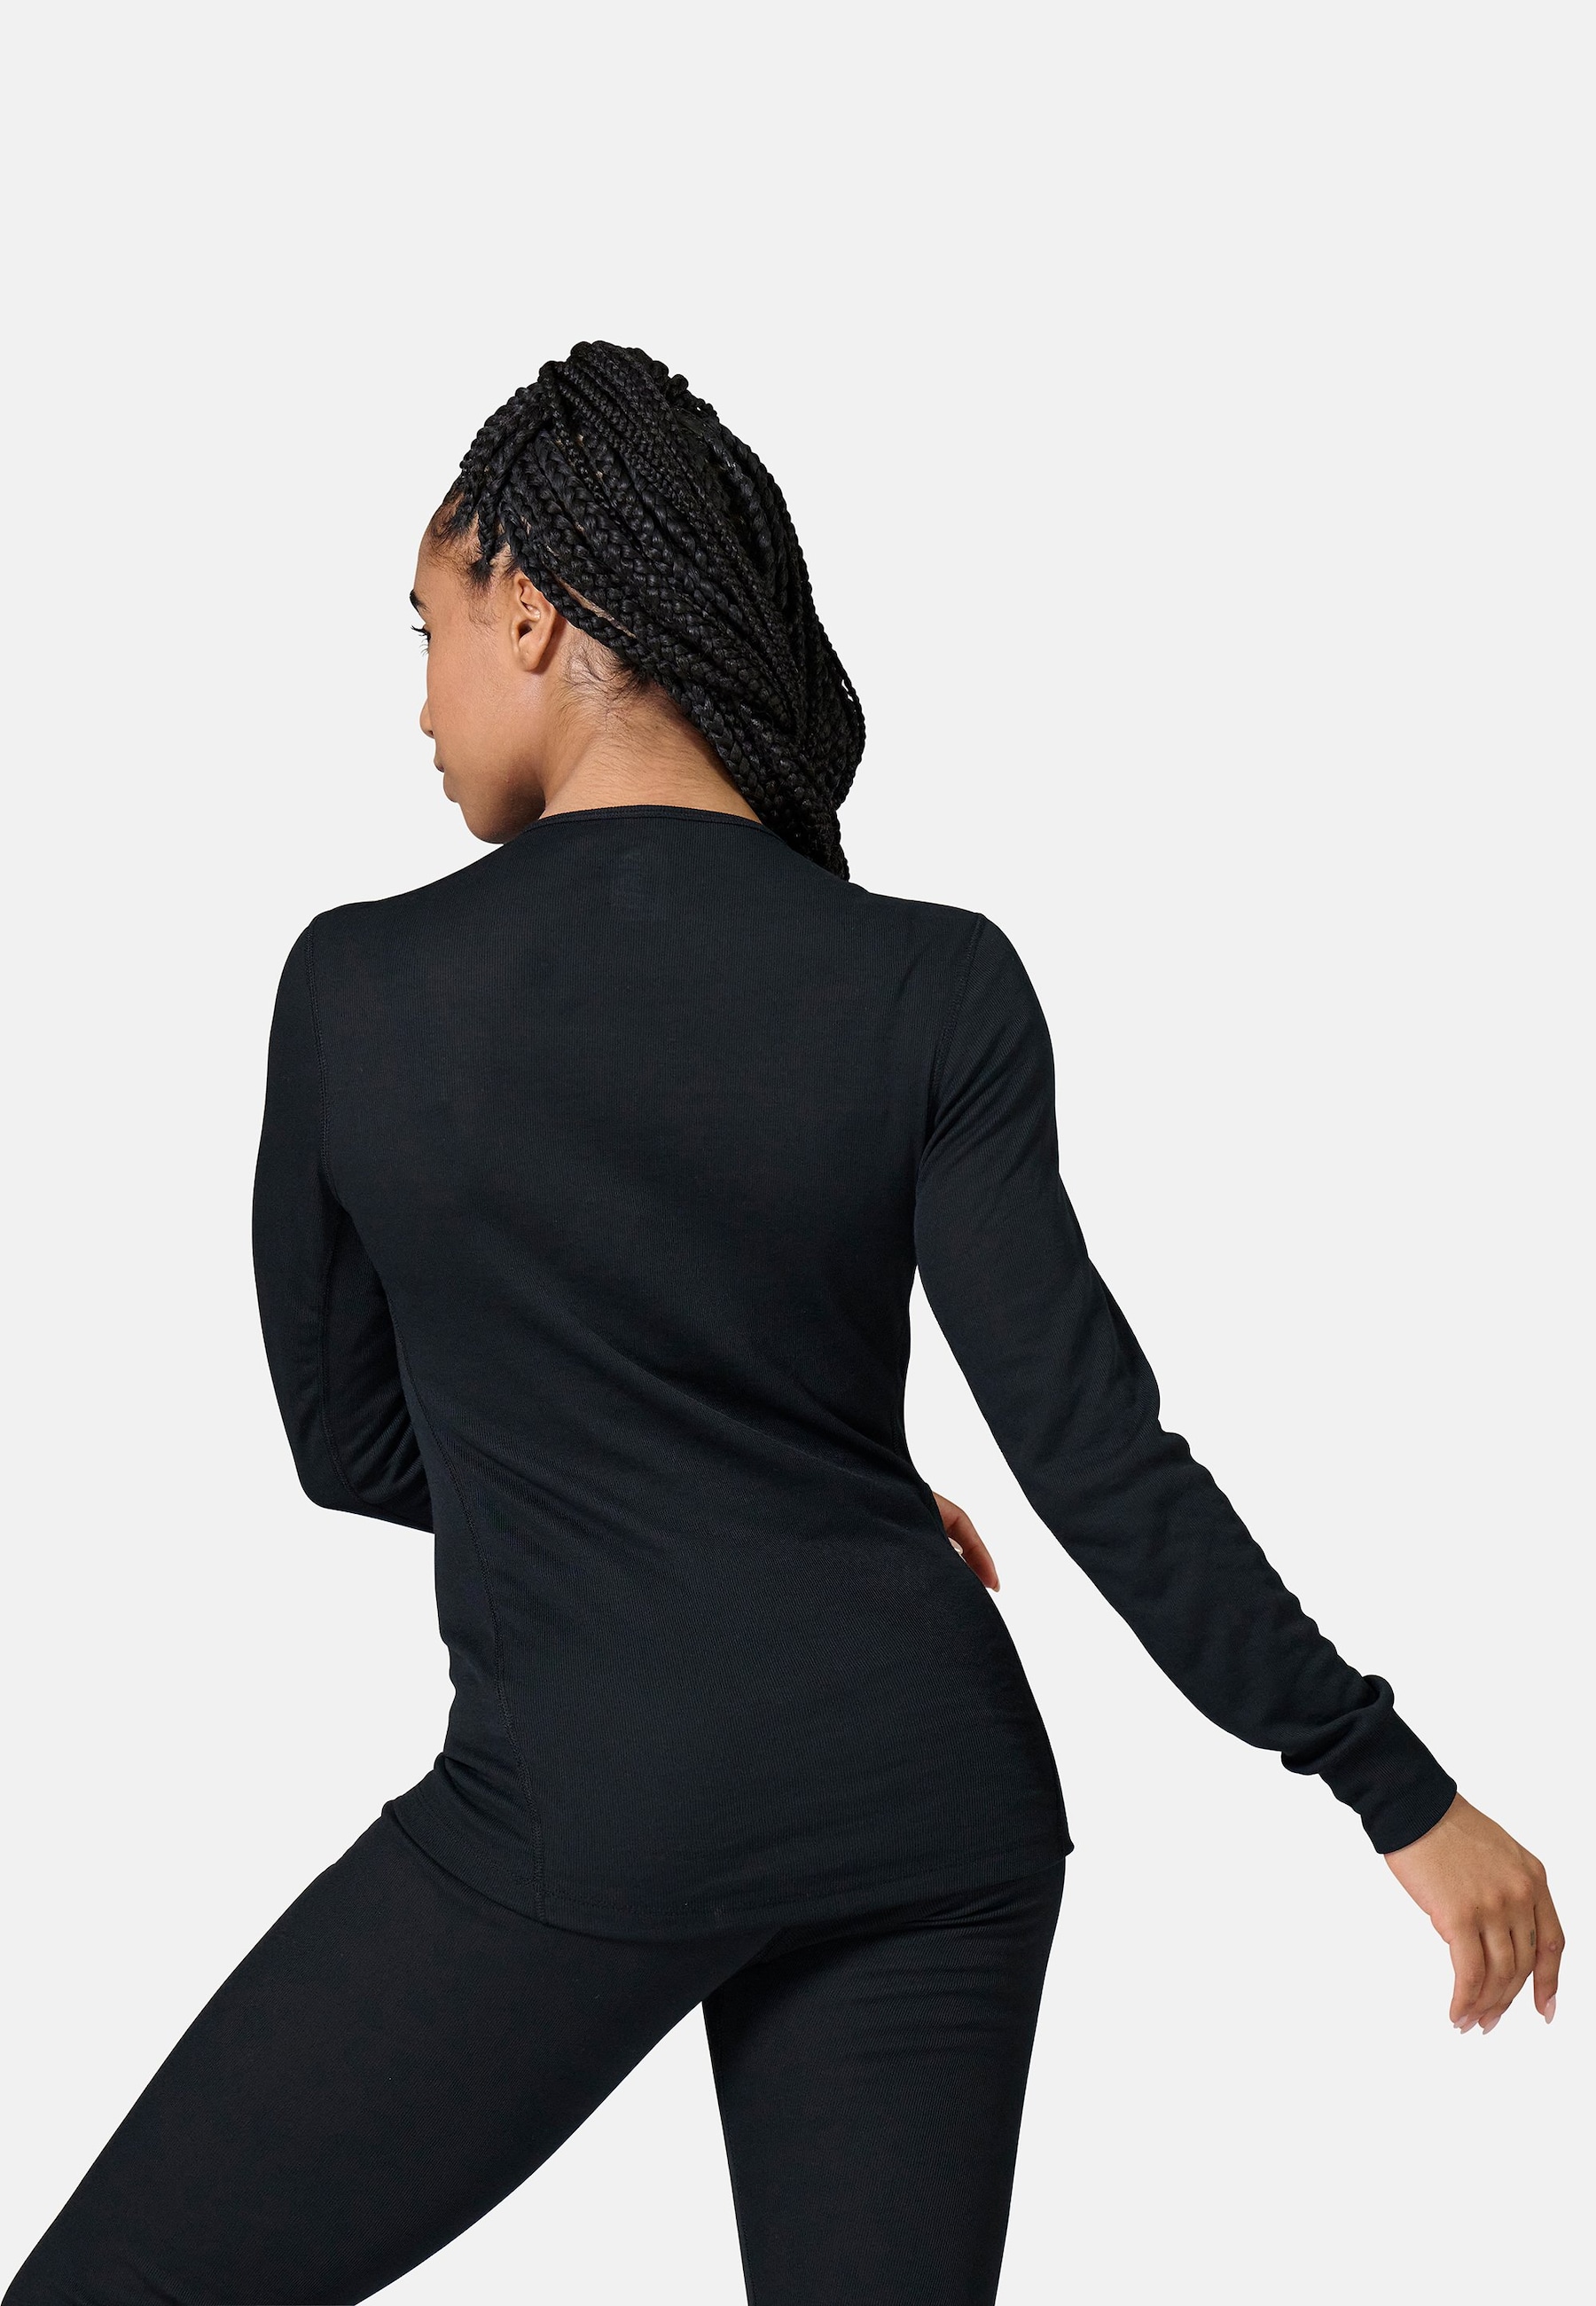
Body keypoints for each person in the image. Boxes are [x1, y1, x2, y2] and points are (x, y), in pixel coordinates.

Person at [5, 342, 1563, 2306]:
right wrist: (1393, 1788)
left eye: (424, 630)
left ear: (527, 609)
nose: (418, 703)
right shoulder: (933, 982)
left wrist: (646, 1507)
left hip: (588, 1808)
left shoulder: (360, 989)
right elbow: (1095, 1452)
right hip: (934, 1811)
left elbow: (349, 1443)